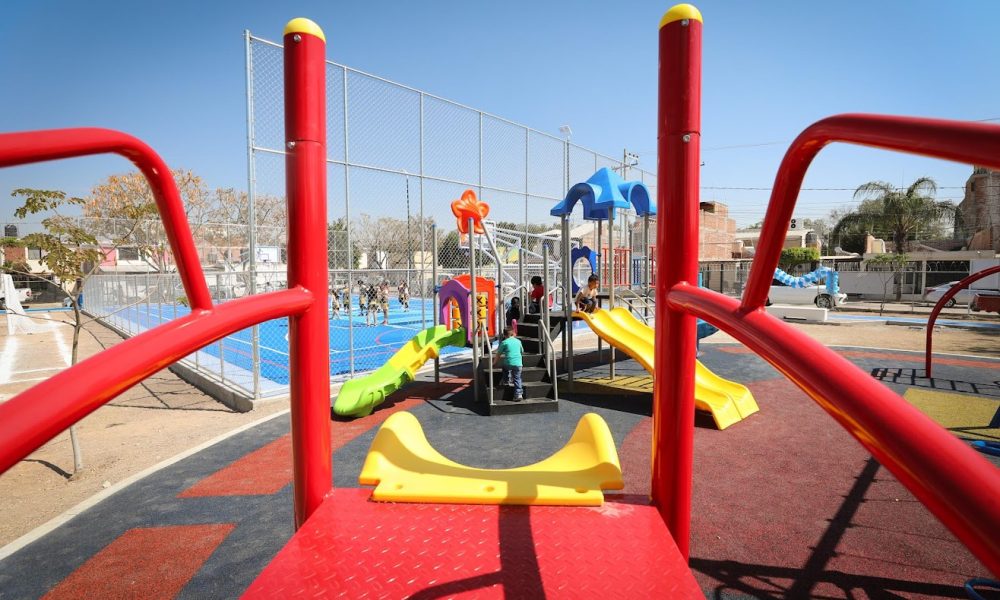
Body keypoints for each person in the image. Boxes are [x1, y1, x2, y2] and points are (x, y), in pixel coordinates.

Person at [496, 326, 524, 401]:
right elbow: (522, 351)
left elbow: (498, 354)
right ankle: (518, 394)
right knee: (517, 378)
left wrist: (494, 363)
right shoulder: (518, 341)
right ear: (513, 333)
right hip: (518, 364)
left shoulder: (504, 342)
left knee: (504, 368)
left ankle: (506, 380)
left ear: (504, 335)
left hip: (508, 363)